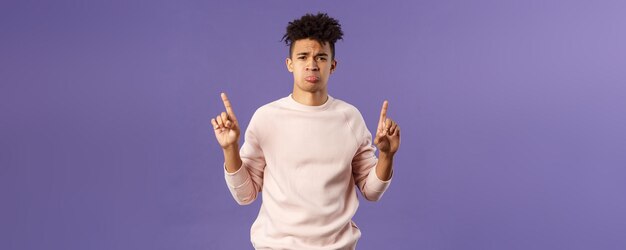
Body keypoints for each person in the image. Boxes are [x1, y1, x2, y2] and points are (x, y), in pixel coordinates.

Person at [211, 12, 401, 250]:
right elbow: (245, 195)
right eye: (303, 56)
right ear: (290, 64)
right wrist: (230, 149)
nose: (312, 64)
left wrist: (387, 155)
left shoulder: (349, 117)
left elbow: (372, 192)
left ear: (332, 65)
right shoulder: (266, 117)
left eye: (321, 57)